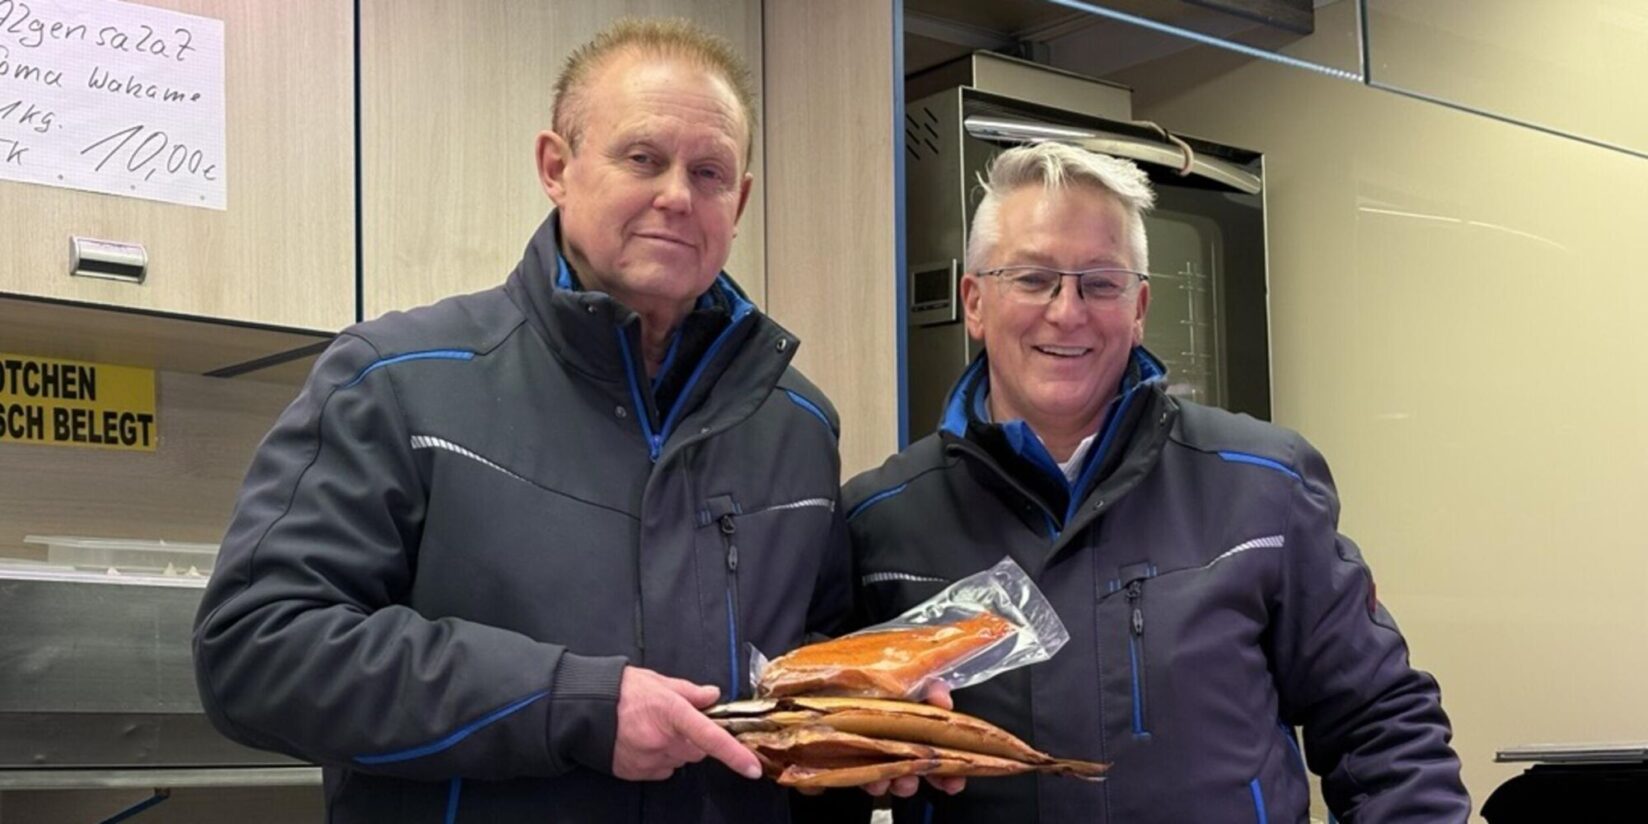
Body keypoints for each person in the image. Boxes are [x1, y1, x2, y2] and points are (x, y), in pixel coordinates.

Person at [194, 18, 858, 823]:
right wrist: (568, 703)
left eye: (709, 172)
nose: (677, 197)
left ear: (740, 200)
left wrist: (868, 723)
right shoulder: (396, 380)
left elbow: (814, 664)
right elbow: (258, 650)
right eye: (642, 158)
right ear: (556, 167)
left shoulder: (797, 425)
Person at [841, 142, 1471, 822]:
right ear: (975, 302)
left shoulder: (1264, 485)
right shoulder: (881, 521)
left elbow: (1383, 728)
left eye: (1101, 283)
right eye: (1032, 278)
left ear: (1139, 307)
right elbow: (811, 757)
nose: (1067, 311)